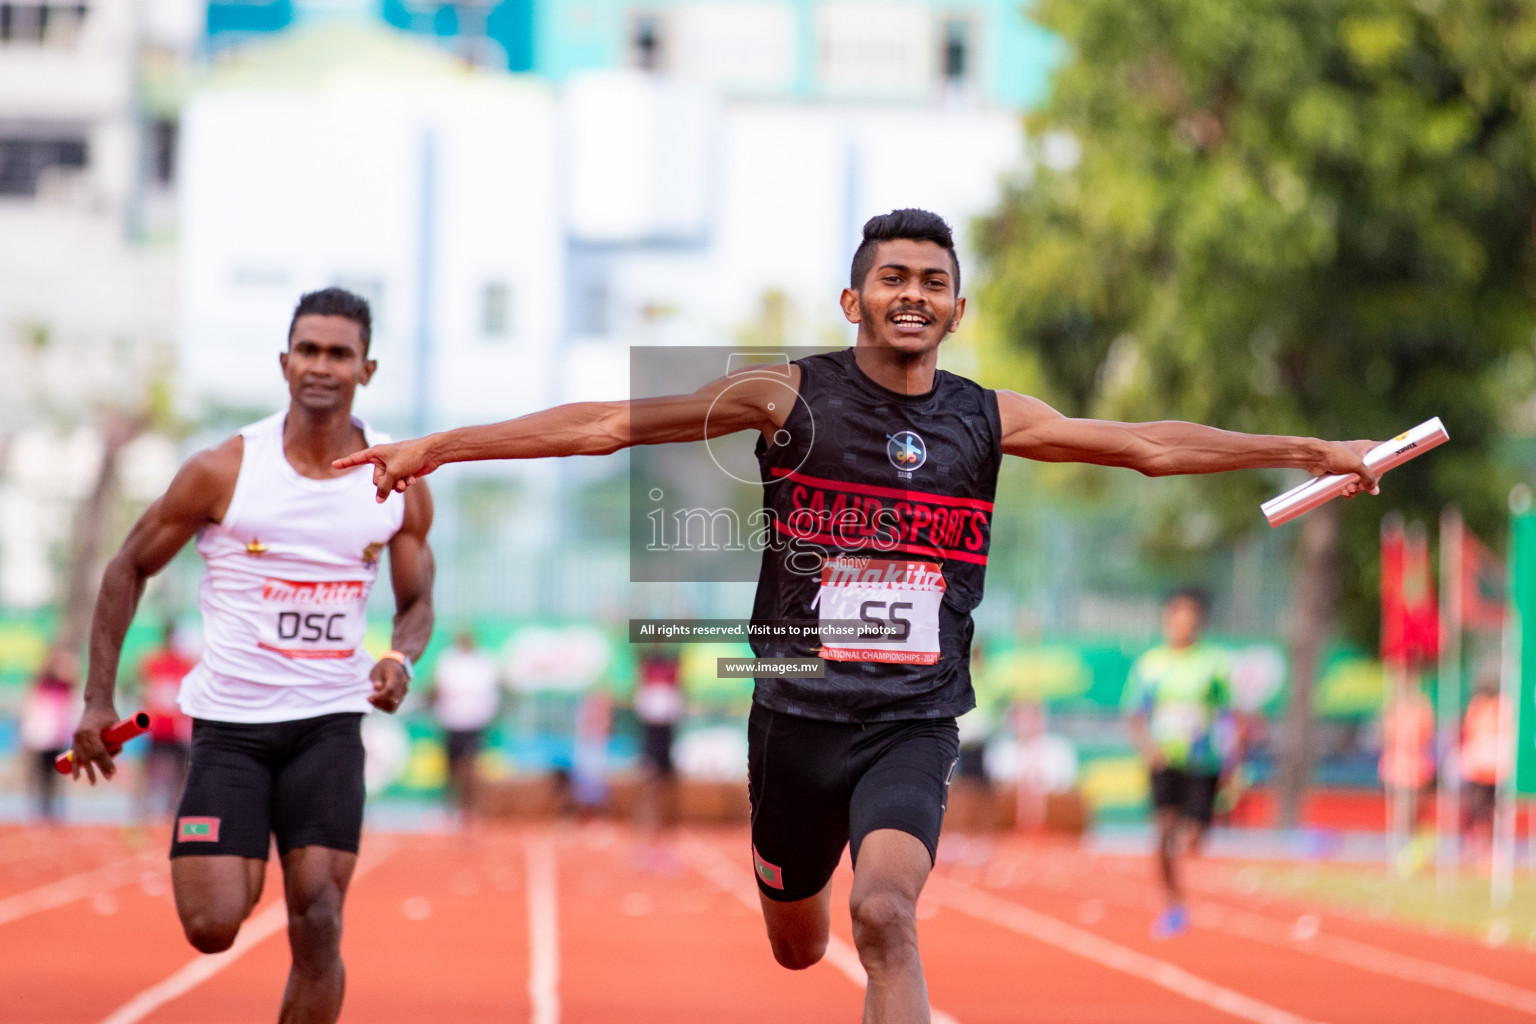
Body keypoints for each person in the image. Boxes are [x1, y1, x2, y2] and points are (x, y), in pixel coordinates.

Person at [337, 209, 1379, 1023]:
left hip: (912, 721)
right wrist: (441, 445)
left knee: (884, 916)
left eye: (934, 282)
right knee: (797, 943)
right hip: (795, 716)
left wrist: (1308, 451)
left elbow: (1149, 444)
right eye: (894, 279)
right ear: (855, 298)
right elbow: (608, 423)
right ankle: (789, 879)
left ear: (957, 308)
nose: (914, 295)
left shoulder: (988, 415)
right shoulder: (785, 397)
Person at [68, 287, 435, 1024]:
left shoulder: (395, 477)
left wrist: (401, 657)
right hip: (230, 729)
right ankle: (245, 849)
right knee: (212, 927)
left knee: (321, 918)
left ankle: (299, 868)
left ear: (367, 367)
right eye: (308, 351)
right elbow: (127, 567)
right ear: (284, 362)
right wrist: (97, 700)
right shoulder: (224, 469)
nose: (321, 367)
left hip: (329, 725)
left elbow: (418, 600)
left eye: (338, 353)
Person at [1123, 588, 1236, 938]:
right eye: (1177, 619)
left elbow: (1232, 714)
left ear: (1199, 624)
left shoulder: (1214, 664)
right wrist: (1149, 749)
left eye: (1190, 620)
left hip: (1204, 760)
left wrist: (1235, 761)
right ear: (1167, 621)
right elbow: (1135, 715)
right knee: (1163, 831)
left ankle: (1188, 835)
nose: (1183, 626)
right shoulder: (1151, 665)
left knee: (1195, 836)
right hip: (1164, 759)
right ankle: (1173, 905)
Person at [428, 630, 500, 828]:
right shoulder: (448, 660)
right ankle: (450, 811)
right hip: (451, 720)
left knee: (470, 768)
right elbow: (437, 688)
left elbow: (494, 687)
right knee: (450, 769)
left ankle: (470, 811)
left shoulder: (484, 661)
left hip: (474, 721)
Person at [134, 622, 196, 823]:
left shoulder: (185, 663)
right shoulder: (153, 662)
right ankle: (142, 810)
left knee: (180, 770)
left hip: (177, 727)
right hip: (157, 725)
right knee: (149, 769)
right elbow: (143, 689)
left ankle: (171, 810)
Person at [20, 647, 78, 823]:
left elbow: (72, 679)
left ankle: (55, 808)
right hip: (42, 738)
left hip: (57, 738)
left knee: (57, 774)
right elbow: (33, 707)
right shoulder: (41, 685)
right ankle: (42, 808)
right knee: (41, 774)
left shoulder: (63, 686)